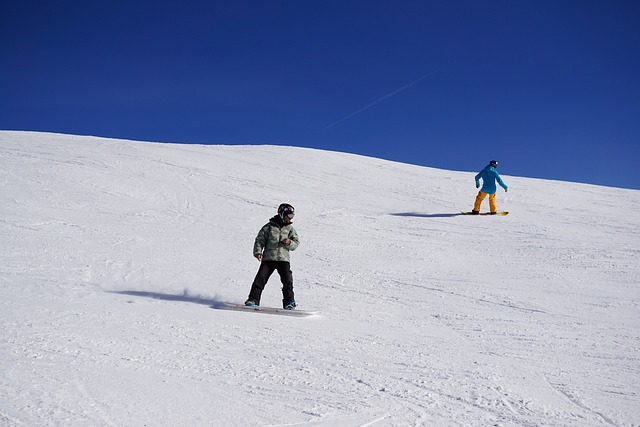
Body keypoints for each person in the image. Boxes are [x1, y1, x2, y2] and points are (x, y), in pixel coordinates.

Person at [245, 203, 300, 310]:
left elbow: (296, 243)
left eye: (292, 216)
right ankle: (253, 299)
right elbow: (260, 240)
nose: (290, 218)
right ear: (281, 214)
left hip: (283, 259)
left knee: (287, 280)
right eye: (289, 216)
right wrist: (258, 252)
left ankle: (289, 302)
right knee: (260, 278)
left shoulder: (290, 229)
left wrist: (288, 242)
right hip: (268, 258)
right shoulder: (268, 227)